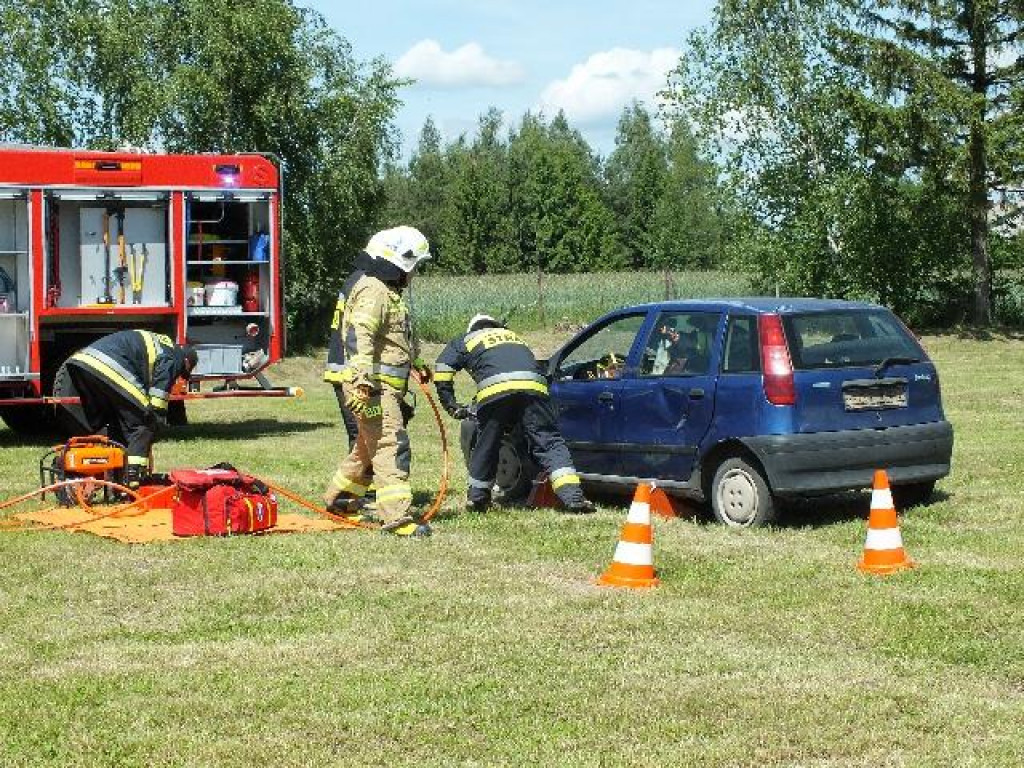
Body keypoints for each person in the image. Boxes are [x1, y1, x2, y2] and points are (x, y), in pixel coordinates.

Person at [321, 226, 433, 537]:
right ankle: (396, 518)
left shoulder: (387, 292)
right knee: (389, 445)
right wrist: (361, 382)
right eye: (415, 266)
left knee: (367, 448)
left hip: (379, 389)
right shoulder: (374, 290)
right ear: (399, 261)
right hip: (373, 391)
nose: (415, 274)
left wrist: (417, 362)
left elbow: (394, 340)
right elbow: (360, 337)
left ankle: (340, 500)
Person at [434, 313, 596, 514]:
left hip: (495, 393)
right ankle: (573, 497)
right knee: (549, 441)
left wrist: (450, 403)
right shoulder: (514, 337)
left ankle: (478, 498)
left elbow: (442, 369)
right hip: (535, 389)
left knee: (488, 442)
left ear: (473, 328)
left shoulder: (467, 339)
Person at [65, 329, 197, 489]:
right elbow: (159, 393)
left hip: (82, 363)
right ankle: (133, 480)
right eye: (182, 373)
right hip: (110, 366)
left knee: (117, 424)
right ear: (187, 361)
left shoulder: (162, 343)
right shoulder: (174, 356)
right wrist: (157, 419)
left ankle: (115, 479)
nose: (179, 376)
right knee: (143, 425)